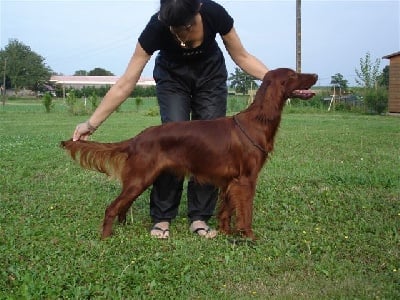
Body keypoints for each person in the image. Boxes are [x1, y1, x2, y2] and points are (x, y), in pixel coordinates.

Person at [72, 0, 269, 239]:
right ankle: (162, 216)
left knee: (213, 146)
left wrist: (278, 81)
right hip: (172, 78)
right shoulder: (155, 29)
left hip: (210, 77)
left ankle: (200, 217)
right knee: (170, 143)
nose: (184, 35)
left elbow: (243, 56)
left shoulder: (214, 13)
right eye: (176, 29)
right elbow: (125, 83)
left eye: (187, 26)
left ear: (198, 9)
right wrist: (91, 124)